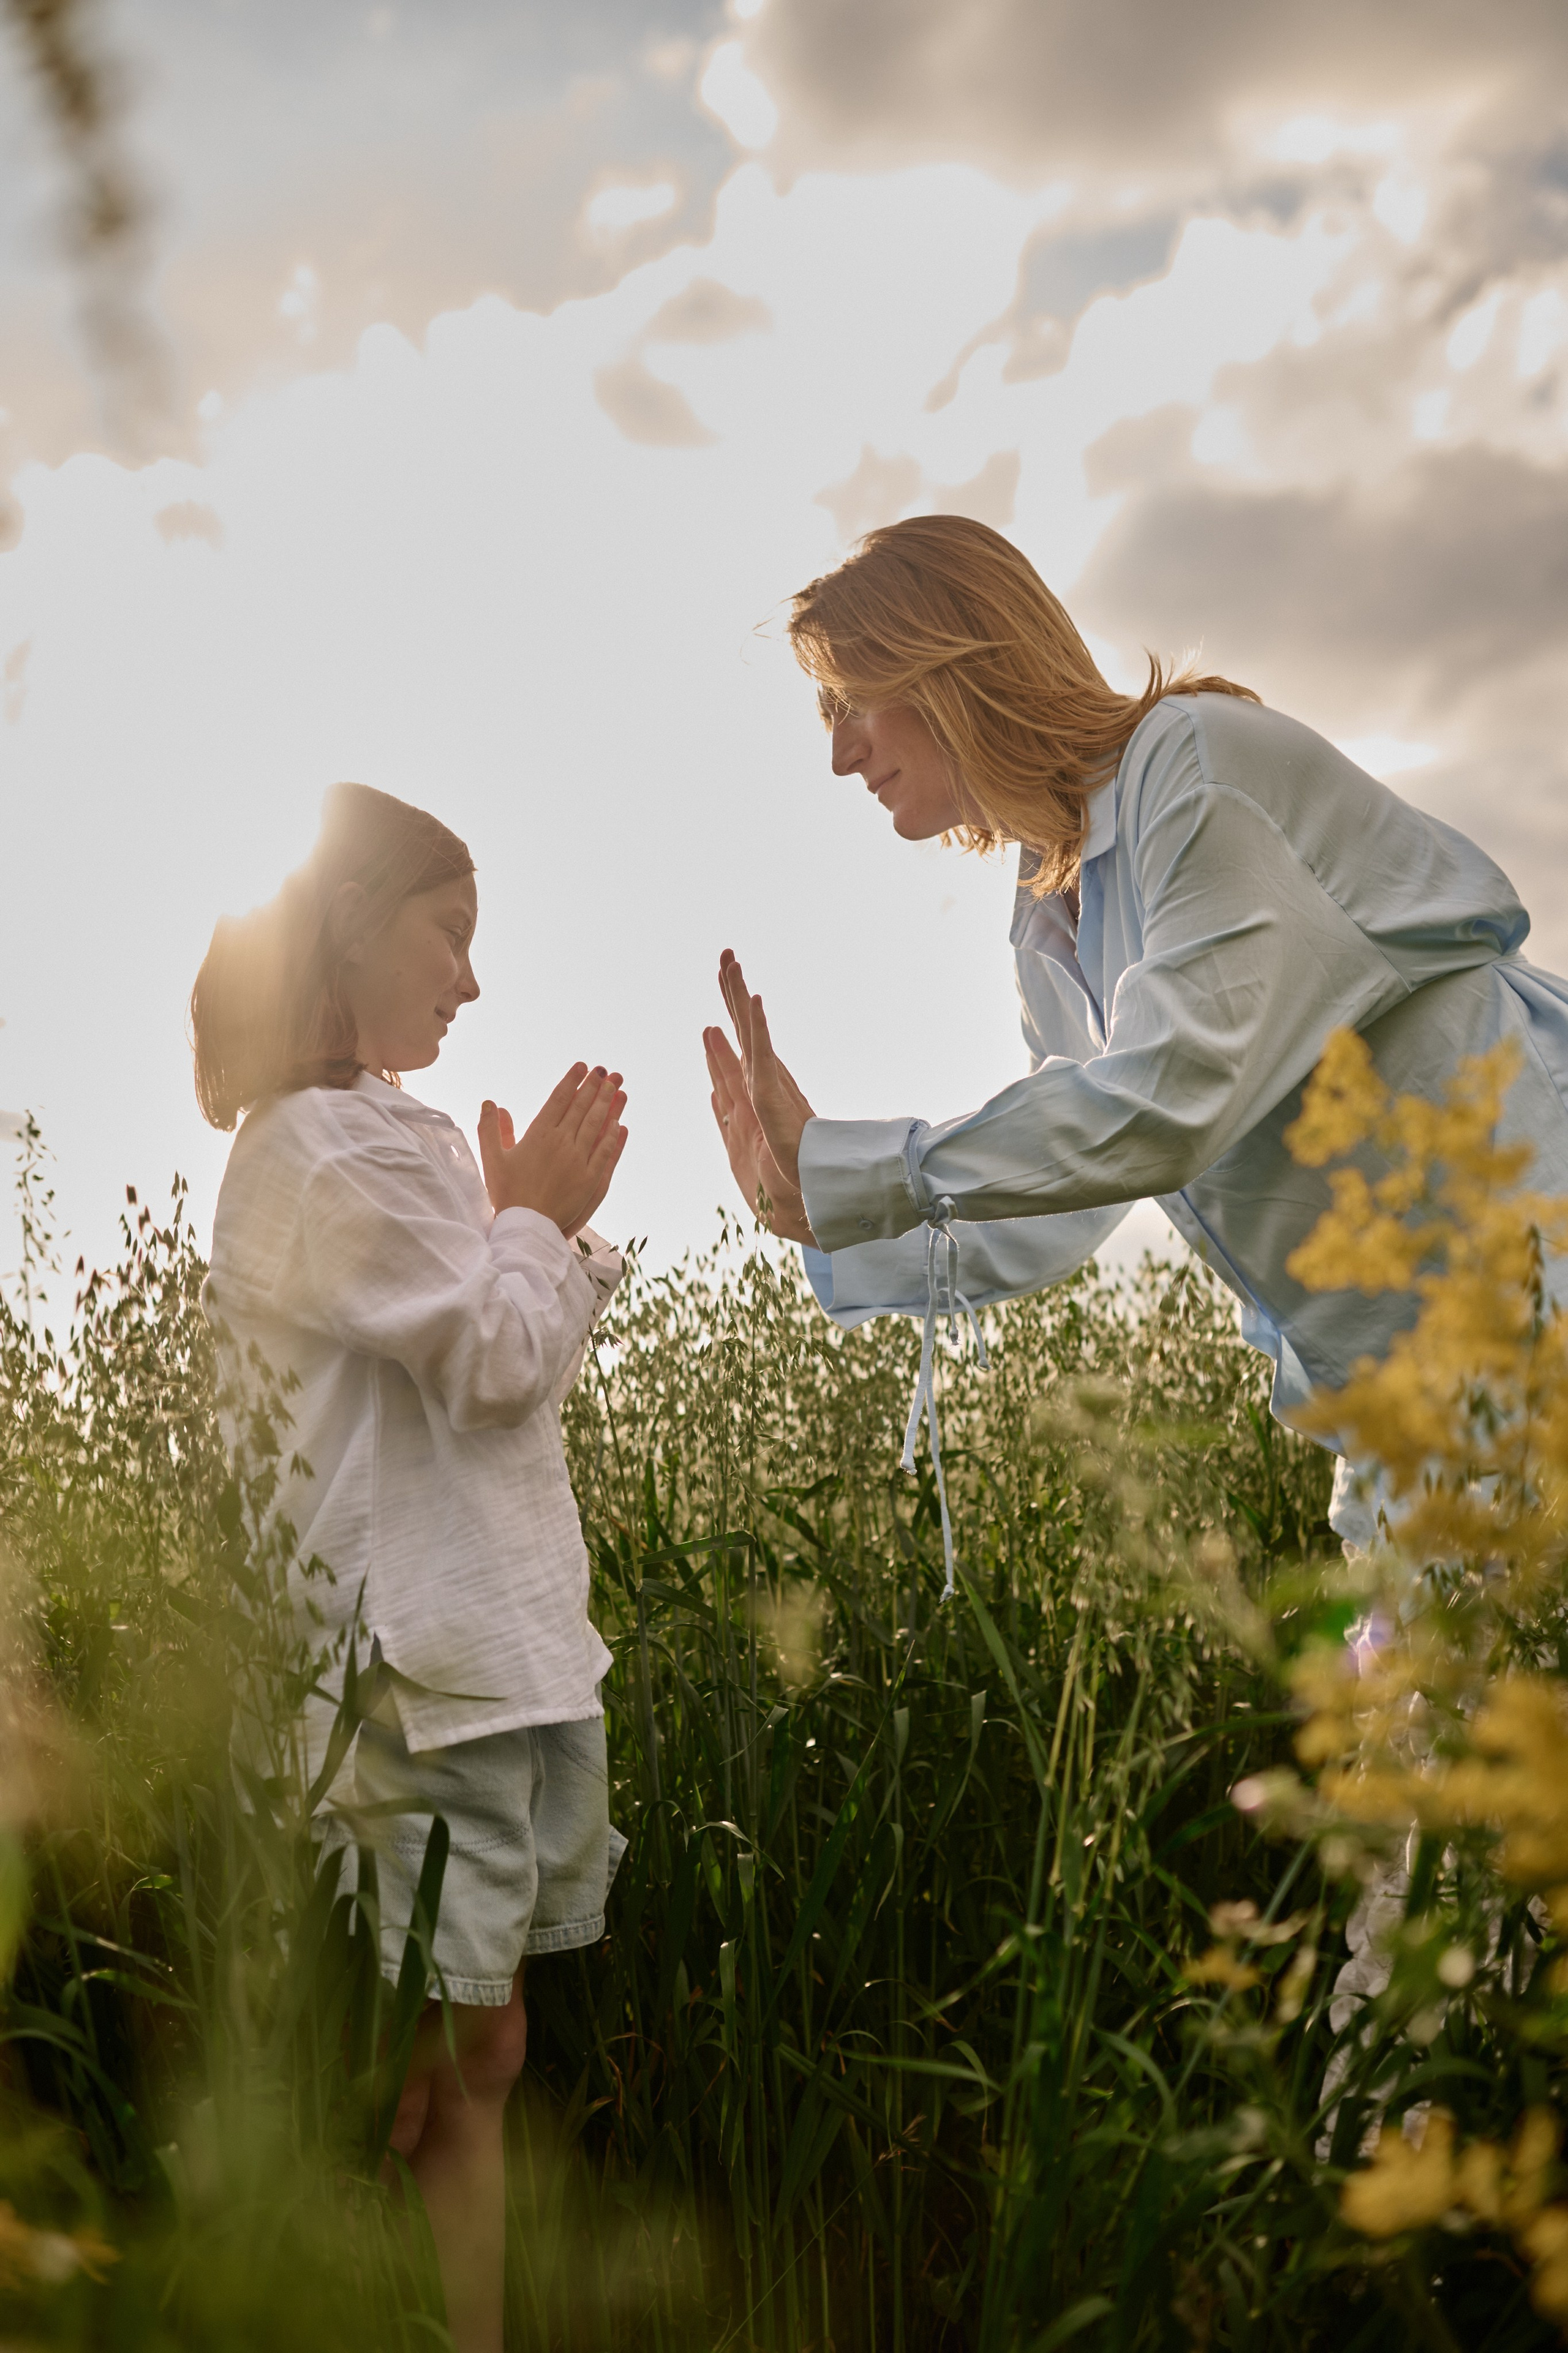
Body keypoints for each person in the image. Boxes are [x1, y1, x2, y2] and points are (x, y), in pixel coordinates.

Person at [703, 514, 1568, 1556]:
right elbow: (1078, 1181)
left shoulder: (1196, 770)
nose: (841, 754)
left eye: (850, 700)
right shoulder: (1048, 903)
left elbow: (1167, 1102)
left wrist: (864, 1169)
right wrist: (818, 1211)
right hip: (1406, 1410)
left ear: (947, 662)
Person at [191, 782, 628, 2353]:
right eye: (448, 935)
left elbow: (500, 1373)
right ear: (352, 925)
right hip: (410, 1682)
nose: (469, 978)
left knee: (477, 2047)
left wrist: (534, 1231)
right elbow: (500, 1360)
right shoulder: (310, 1148)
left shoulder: (393, 1135)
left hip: (478, 1663)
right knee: (434, 2052)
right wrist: (542, 1226)